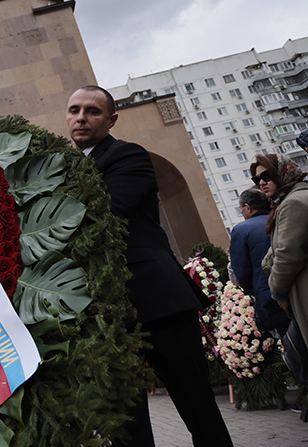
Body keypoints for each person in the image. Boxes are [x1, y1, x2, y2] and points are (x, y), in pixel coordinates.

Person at [65, 86, 232, 447]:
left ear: (111, 119)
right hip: (108, 311)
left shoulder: (127, 155)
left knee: (197, 407)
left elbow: (106, 214)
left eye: (92, 111)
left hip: (158, 302)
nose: (81, 118)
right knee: (127, 419)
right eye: (74, 110)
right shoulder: (69, 168)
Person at [255, 154, 308, 348]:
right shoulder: (289, 201)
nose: (261, 183)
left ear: (282, 173)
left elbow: (287, 256)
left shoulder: (293, 203)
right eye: (257, 179)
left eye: (266, 175)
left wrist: (277, 293)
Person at [230, 187, 289, 337]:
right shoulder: (282, 217)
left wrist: (255, 290)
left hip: (270, 296)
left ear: (248, 207)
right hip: (295, 287)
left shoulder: (241, 230)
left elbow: (242, 272)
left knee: (292, 344)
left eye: (241, 208)